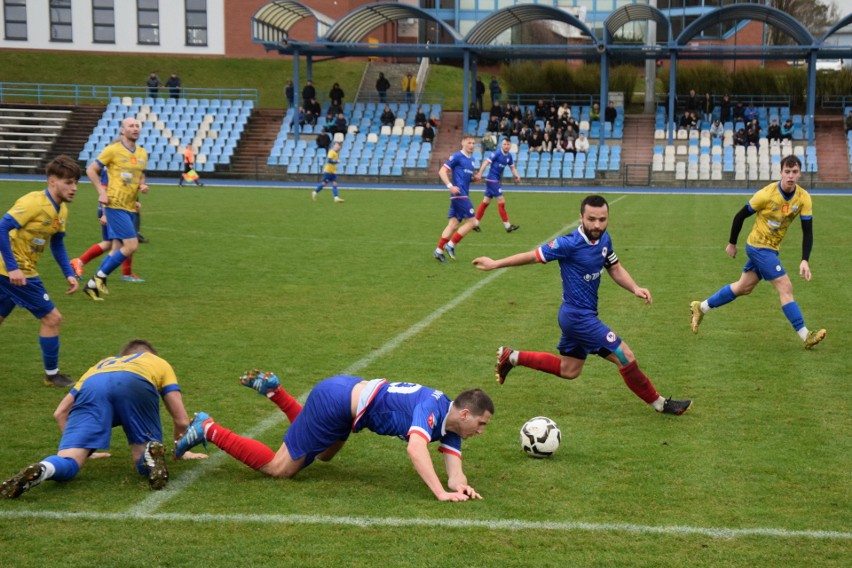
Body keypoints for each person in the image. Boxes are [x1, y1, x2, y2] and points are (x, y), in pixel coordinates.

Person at [471, 195, 692, 416]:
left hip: (582, 316)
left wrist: (634, 287)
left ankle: (511, 356)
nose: (597, 225)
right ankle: (660, 404)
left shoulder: (604, 240)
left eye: (602, 219)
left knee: (569, 370)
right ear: (581, 217)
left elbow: (614, 267)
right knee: (625, 355)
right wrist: (495, 264)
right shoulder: (568, 244)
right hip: (577, 318)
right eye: (592, 219)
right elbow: (531, 257)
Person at [174, 369, 493, 502]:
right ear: (465, 414)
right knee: (280, 468)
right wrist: (439, 493)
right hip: (336, 402)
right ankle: (207, 428)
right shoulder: (432, 408)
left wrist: (460, 486)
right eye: (481, 424)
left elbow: (454, 470)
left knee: (325, 454)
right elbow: (415, 449)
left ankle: (276, 393)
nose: (480, 431)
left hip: (348, 403)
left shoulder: (450, 423)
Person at [0, 339, 208, 499]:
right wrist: (182, 450)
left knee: (69, 461)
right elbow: (181, 419)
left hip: (94, 386)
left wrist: (82, 446)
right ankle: (149, 454)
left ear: (123, 355)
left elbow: (59, 412)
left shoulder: (102, 364)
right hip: (136, 383)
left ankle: (45, 468)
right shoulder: (157, 362)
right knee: (141, 456)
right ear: (150, 354)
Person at [689, 155, 826, 349]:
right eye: (787, 172)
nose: (790, 176)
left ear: (800, 173)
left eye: (794, 172)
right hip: (758, 247)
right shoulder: (766, 194)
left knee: (743, 287)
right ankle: (806, 336)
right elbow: (740, 216)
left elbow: (808, 231)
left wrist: (805, 259)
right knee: (785, 286)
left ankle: (701, 307)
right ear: (781, 172)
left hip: (772, 250)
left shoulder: (803, 198)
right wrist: (732, 243)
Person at [0, 155, 81, 387]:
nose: (74, 188)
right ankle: (52, 374)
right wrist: (14, 268)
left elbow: (57, 242)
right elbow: (2, 228)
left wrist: (68, 273)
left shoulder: (61, 210)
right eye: (69, 182)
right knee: (52, 318)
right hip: (15, 271)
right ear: (52, 181)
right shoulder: (33, 202)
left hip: (14, 270)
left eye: (76, 182)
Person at [82, 117, 149, 301]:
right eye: (131, 126)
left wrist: (141, 188)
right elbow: (91, 170)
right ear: (122, 130)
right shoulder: (112, 150)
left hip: (130, 207)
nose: (135, 128)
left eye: (137, 126)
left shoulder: (143, 153)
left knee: (118, 247)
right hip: (114, 205)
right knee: (131, 245)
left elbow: (138, 177)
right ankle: (97, 279)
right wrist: (101, 193)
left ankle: (94, 284)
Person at [71, 168, 144, 284]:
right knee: (123, 242)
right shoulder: (112, 167)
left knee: (110, 243)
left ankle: (79, 262)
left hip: (116, 208)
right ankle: (99, 279)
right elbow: (105, 191)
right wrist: (105, 214)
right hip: (111, 210)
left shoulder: (122, 164)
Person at [433, 134, 480, 263]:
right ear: (462, 143)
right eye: (469, 143)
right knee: (472, 222)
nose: (471, 145)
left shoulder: (472, 160)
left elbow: (466, 178)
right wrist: (450, 186)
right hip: (459, 194)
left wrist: (474, 179)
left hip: (462, 194)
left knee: (453, 224)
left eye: (473, 143)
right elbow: (442, 171)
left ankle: (438, 251)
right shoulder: (457, 156)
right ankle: (451, 245)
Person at [474, 137, 521, 233]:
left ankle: (474, 224)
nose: (506, 146)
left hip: (494, 181)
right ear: (501, 145)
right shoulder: (496, 154)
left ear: (510, 145)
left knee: (485, 203)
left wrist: (517, 175)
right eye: (504, 144)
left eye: (508, 144)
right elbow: (486, 162)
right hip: (492, 180)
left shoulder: (509, 156)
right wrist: (480, 173)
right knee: (501, 201)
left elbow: (512, 168)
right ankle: (508, 226)